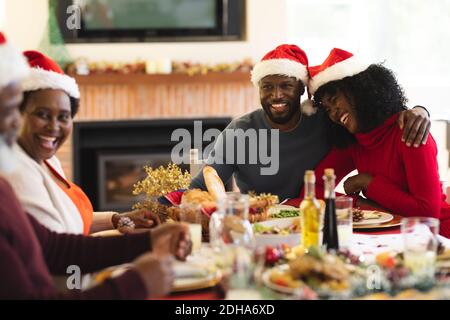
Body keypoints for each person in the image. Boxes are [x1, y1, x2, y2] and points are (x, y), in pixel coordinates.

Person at [0, 31, 191, 299]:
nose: (13, 123)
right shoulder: (16, 172)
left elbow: (53, 247)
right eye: (9, 110)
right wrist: (135, 283)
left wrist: (149, 241)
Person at [190, 44, 431, 202]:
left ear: (302, 90)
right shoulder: (240, 131)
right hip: (260, 227)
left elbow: (371, 117)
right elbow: (201, 186)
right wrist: (157, 207)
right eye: (267, 87)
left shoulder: (328, 122)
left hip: (312, 223)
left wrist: (420, 110)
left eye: (286, 86)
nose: (276, 96)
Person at [294, 48, 450, 238]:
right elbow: (313, 188)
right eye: (327, 109)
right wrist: (359, 204)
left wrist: (368, 182)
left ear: (361, 91)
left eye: (335, 100)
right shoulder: (356, 140)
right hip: (390, 236)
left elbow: (427, 214)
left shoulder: (409, 131)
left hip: (436, 238)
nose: (333, 112)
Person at [2, 50, 160, 235]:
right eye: (42, 115)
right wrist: (146, 242)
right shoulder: (18, 170)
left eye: (63, 117)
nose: (54, 127)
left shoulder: (47, 159)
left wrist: (119, 219)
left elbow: (69, 220)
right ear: (15, 114)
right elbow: (61, 247)